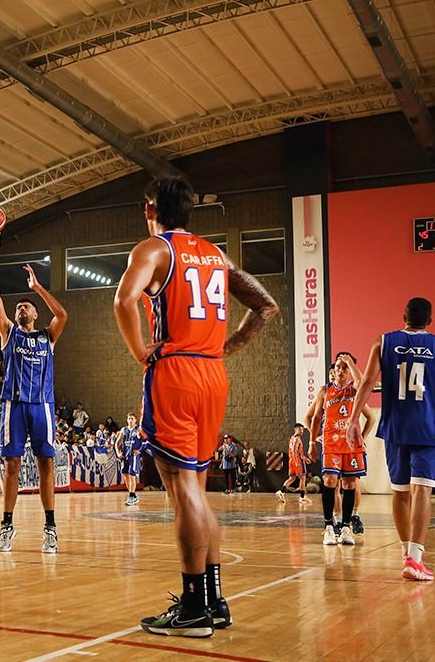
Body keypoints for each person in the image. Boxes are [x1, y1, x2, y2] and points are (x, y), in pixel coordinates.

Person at [113, 175, 278, 637]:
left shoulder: (153, 250)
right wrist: (232, 344)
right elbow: (266, 306)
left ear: (150, 210)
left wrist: (140, 350)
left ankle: (191, 609)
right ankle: (214, 600)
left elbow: (124, 300)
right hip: (213, 374)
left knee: (181, 488)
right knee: (198, 491)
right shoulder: (215, 255)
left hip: (176, 372)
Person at [348, 297, 435, 582]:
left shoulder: (384, 341)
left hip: (396, 428)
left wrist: (353, 420)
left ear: (403, 316)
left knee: (400, 492)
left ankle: (406, 556)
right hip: (427, 429)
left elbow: (365, 382)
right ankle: (416, 557)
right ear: (430, 320)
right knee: (422, 490)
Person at [0, 231, 68, 554]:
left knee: (46, 465)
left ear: (34, 315)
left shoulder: (48, 336)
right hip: (14, 405)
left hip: (43, 406)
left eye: (26, 306)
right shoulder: (8, 333)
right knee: (12, 466)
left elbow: (62, 314)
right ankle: (7, 526)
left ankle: (50, 528)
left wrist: (38, 289)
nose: (20, 308)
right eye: (18, 306)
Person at [306, 352, 374, 546]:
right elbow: (316, 418)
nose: (341, 370)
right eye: (338, 367)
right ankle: (329, 526)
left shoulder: (354, 390)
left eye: (345, 368)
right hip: (331, 442)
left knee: (350, 484)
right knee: (329, 480)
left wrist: (350, 363)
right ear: (332, 372)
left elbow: (363, 382)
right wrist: (311, 442)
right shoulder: (324, 391)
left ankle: (345, 528)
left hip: (351, 444)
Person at [277, 424, 312, 505]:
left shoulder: (292, 438)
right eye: (300, 429)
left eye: (302, 430)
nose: (302, 431)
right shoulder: (297, 439)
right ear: (295, 429)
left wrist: (304, 458)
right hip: (297, 461)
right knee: (303, 478)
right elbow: (294, 450)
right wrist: (297, 462)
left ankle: (280, 492)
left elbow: (298, 451)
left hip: (292, 460)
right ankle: (302, 497)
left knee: (292, 478)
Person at [115, 413, 143, 506]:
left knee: (132, 476)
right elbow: (117, 443)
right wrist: (118, 452)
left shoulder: (138, 429)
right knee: (125, 477)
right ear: (127, 420)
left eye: (132, 418)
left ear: (135, 420)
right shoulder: (124, 430)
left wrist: (140, 450)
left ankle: (131, 496)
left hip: (134, 456)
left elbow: (147, 440)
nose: (130, 420)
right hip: (124, 456)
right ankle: (133, 496)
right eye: (129, 418)